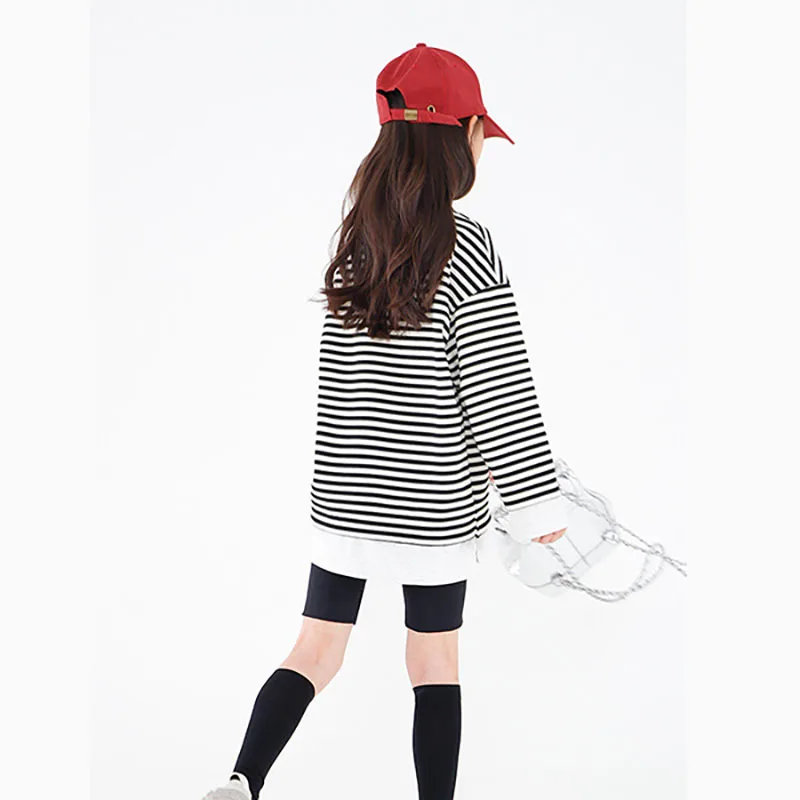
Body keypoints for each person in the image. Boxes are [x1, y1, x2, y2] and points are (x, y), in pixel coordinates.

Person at [202, 42, 568, 800]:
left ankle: (241, 781)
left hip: (345, 496)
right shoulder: (467, 245)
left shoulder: (357, 243)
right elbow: (497, 386)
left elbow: (341, 384)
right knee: (434, 663)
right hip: (433, 503)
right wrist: (536, 506)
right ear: (460, 136)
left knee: (314, 651)